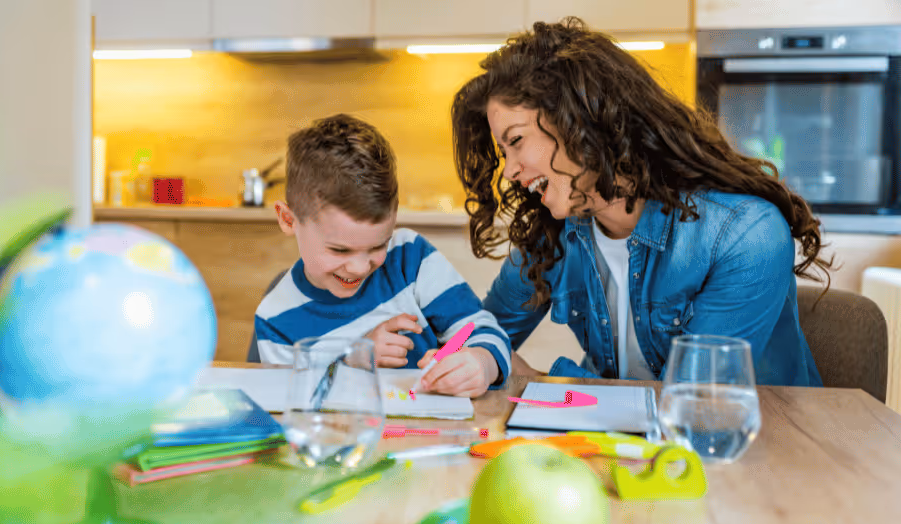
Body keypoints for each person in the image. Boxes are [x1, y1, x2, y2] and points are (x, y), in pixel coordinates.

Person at [450, 17, 834, 386]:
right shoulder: (553, 235)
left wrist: (547, 384)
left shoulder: (745, 235)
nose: (509, 172)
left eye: (516, 142)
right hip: (619, 449)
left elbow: (693, 411)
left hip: (756, 450)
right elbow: (477, 336)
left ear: (578, 121)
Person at [254, 114, 511, 397]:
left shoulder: (409, 258)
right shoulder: (275, 320)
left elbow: (483, 329)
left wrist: (482, 363)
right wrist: (355, 360)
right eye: (339, 249)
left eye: (378, 246)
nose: (360, 267)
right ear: (289, 220)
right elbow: (294, 405)